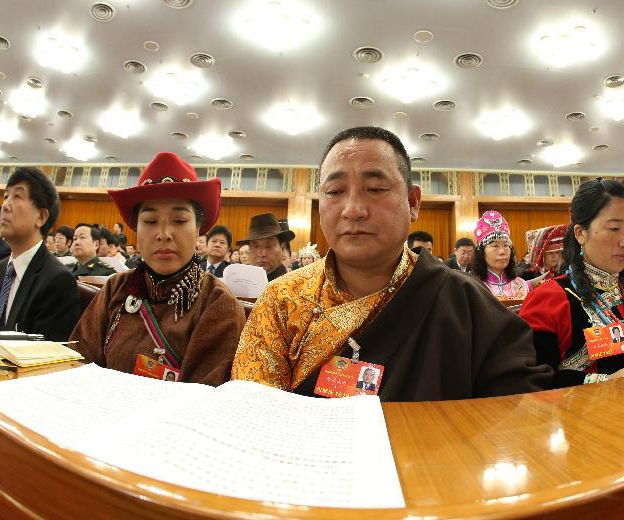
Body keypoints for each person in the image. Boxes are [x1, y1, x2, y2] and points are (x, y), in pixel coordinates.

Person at [231, 126, 553, 401]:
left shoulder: (462, 300)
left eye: (375, 188)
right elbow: (254, 413)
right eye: (334, 191)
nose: (353, 209)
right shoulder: (281, 301)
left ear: (413, 203)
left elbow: (518, 402)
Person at [70, 152, 244, 386]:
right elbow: (77, 366)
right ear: (137, 231)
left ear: (198, 230)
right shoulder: (115, 288)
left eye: (180, 221)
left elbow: (205, 400)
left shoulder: (218, 303)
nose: (163, 234)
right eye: (150, 222)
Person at [519, 179, 624, 387]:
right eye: (614, 228)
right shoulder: (549, 300)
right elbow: (531, 379)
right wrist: (607, 382)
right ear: (580, 233)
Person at [0, 168, 80, 340]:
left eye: (17, 196)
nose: (5, 205)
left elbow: (43, 359)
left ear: (41, 217)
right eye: (6, 196)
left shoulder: (58, 281)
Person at [472, 210, 529, 300]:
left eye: (506, 245)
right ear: (481, 252)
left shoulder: (522, 284)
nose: (502, 251)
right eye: (495, 245)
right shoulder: (474, 286)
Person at [240, 213, 295, 281]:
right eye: (255, 246)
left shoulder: (292, 285)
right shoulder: (241, 284)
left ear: (282, 248)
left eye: (268, 246)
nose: (261, 254)